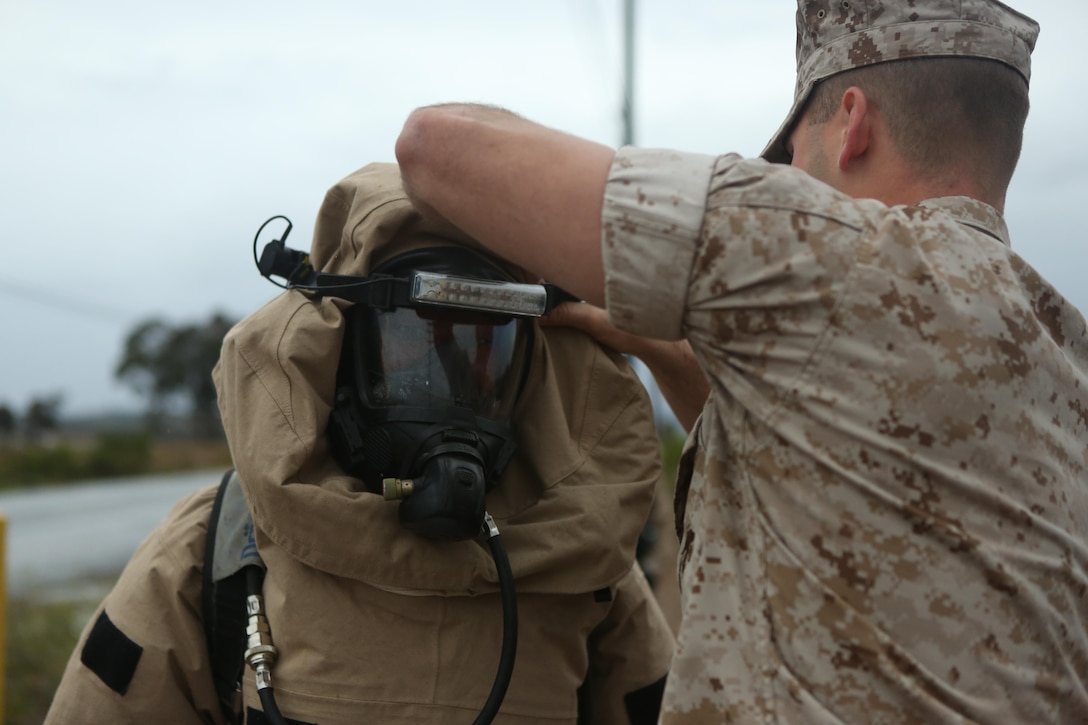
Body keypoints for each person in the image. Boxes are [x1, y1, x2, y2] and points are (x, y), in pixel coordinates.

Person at [394, 1, 1088, 722]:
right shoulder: (1059, 348)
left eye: (792, 151)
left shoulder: (836, 255)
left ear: (851, 124)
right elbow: (825, 473)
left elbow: (434, 146)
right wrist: (662, 343)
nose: (792, 171)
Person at [44, 162, 675, 724]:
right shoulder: (217, 547)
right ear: (341, 353)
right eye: (415, 342)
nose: (449, 381)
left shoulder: (583, 561)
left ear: (530, 368)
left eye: (484, 345)